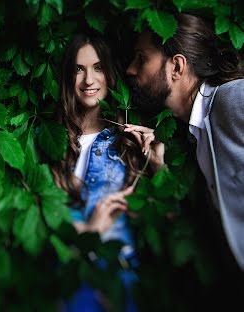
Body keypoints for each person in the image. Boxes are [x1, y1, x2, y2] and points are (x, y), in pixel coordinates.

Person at [124, 12, 244, 284]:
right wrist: (158, 167)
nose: (130, 69)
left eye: (142, 59)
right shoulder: (197, 130)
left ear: (177, 67)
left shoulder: (231, 99)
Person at [51, 31, 165, 312]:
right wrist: (90, 230)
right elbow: (45, 224)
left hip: (120, 271)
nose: (89, 80)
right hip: (70, 276)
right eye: (79, 69)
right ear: (68, 77)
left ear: (110, 73)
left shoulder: (128, 142)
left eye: (98, 67)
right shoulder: (51, 142)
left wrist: (157, 166)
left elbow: (163, 217)